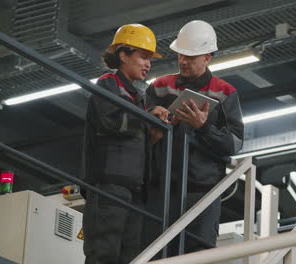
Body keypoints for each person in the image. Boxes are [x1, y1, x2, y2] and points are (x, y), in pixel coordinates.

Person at [144, 20, 244, 256]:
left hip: (202, 192)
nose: (183, 61)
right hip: (160, 189)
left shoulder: (225, 93)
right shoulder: (158, 88)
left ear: (207, 57)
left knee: (198, 255)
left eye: (190, 56)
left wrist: (203, 127)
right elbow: (139, 135)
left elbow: (235, 143)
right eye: (180, 55)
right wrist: (152, 119)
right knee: (153, 253)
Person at [82, 23, 167, 264]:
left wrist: (152, 135)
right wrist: (146, 118)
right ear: (123, 55)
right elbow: (110, 122)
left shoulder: (137, 98)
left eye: (150, 59)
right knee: (104, 254)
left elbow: (131, 133)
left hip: (133, 190)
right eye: (143, 56)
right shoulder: (109, 83)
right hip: (110, 185)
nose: (148, 64)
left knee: (129, 259)